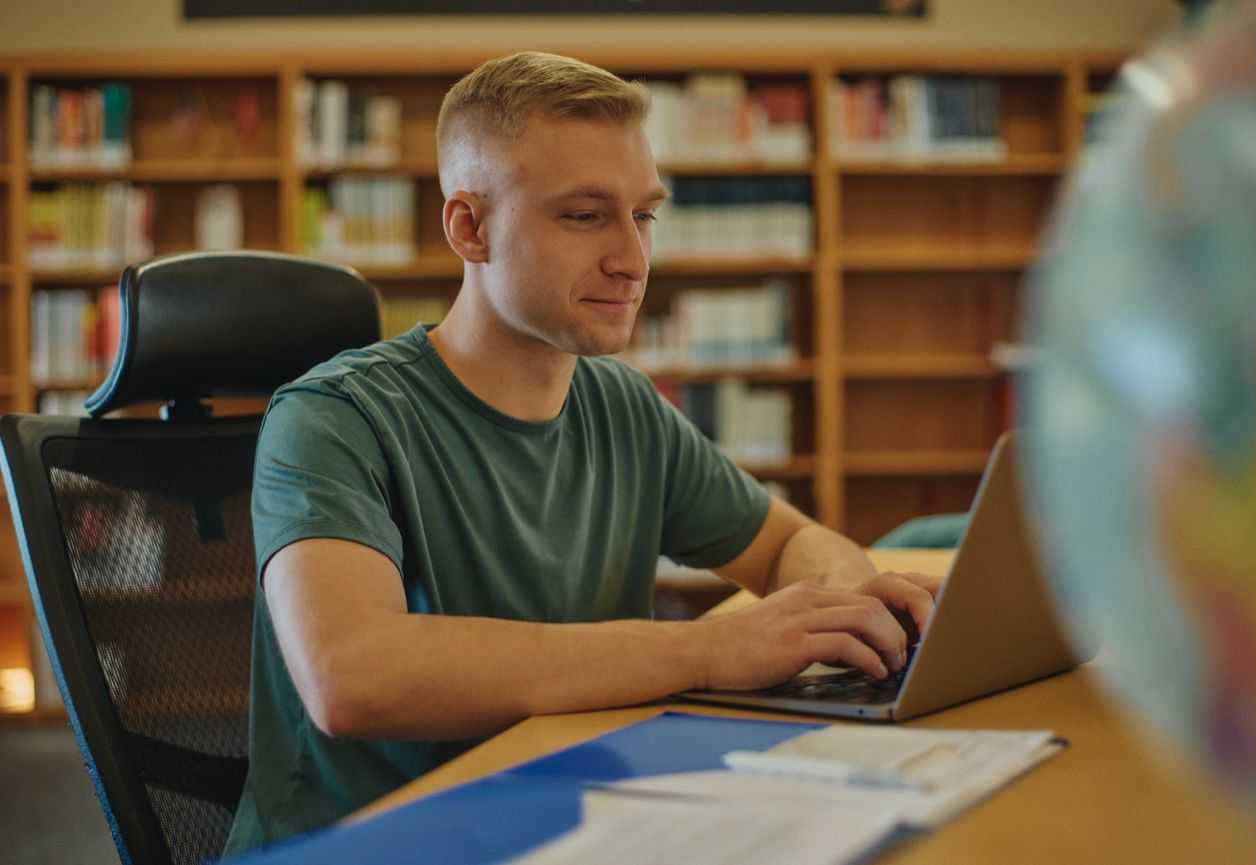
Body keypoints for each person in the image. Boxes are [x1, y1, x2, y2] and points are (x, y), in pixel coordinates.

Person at [224, 51, 942, 854]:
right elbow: (352, 675)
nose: (633, 260)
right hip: (378, 842)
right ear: (469, 227)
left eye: (644, 215)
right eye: (584, 216)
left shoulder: (623, 405)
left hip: (569, 815)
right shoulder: (333, 417)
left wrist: (843, 611)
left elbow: (788, 544)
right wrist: (710, 647)